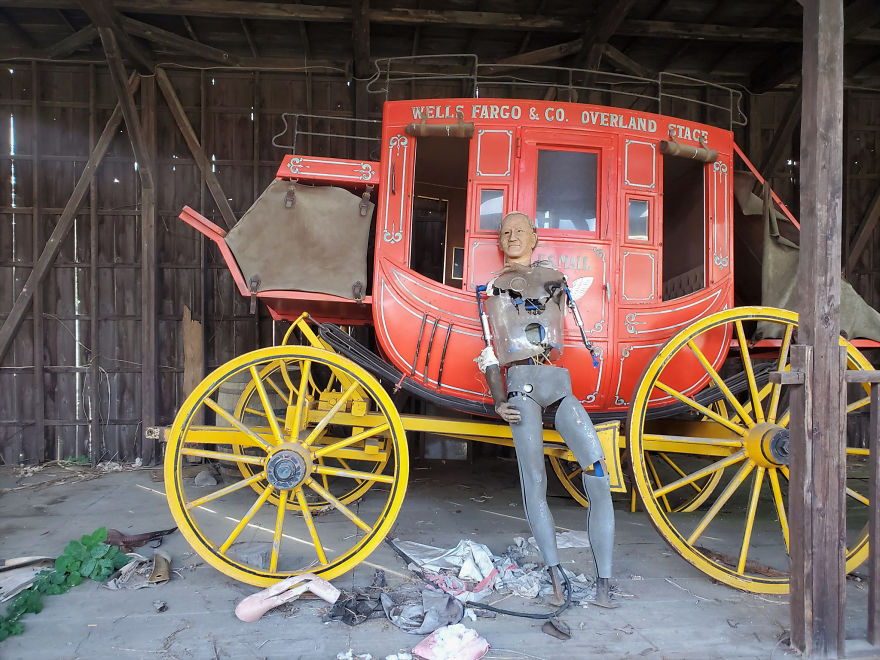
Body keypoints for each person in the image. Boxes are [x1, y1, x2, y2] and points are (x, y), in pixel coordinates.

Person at [475, 211, 617, 608]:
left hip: (558, 382)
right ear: (500, 243)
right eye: (506, 232)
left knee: (599, 470)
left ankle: (604, 580)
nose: (513, 235)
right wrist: (499, 399)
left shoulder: (555, 279)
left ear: (535, 236)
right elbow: (488, 350)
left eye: (521, 230)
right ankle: (555, 574)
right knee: (534, 479)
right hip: (521, 389)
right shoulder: (493, 289)